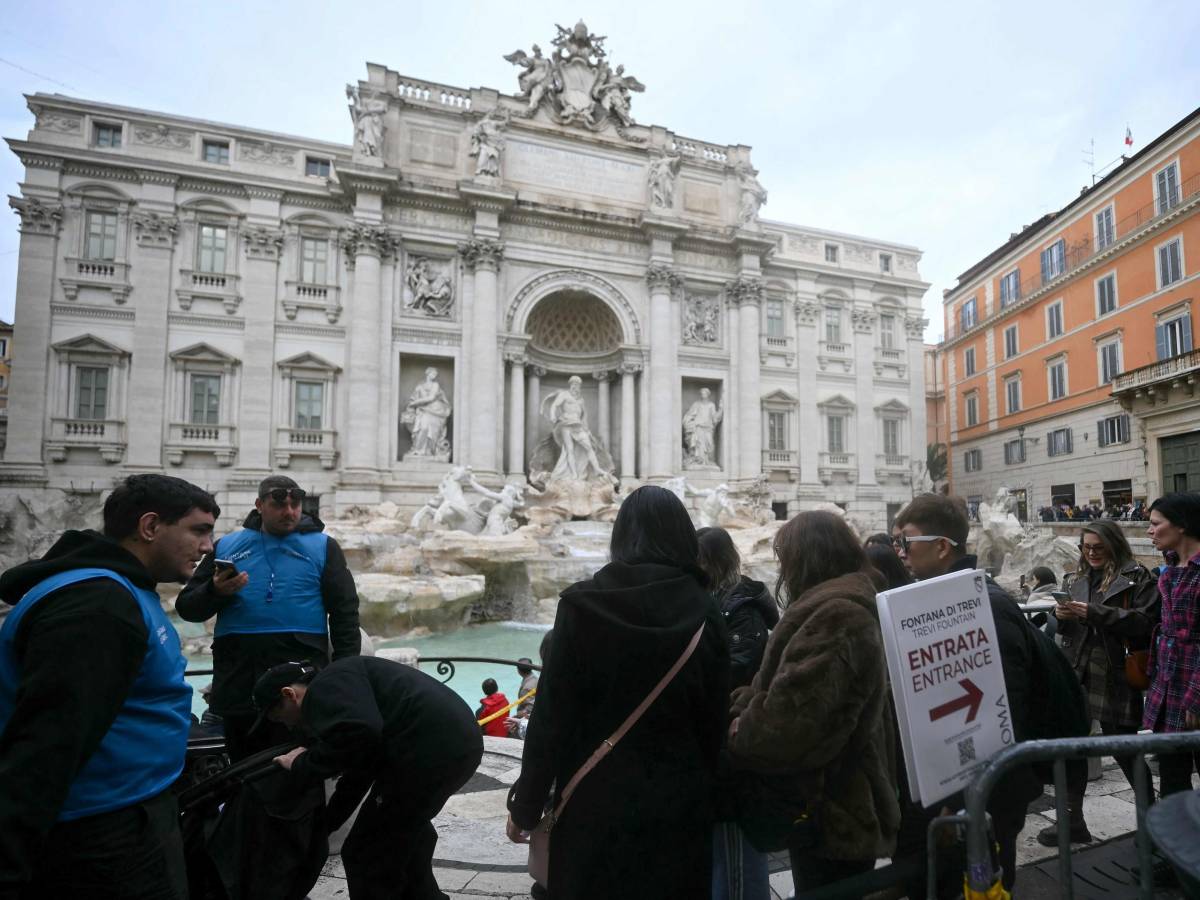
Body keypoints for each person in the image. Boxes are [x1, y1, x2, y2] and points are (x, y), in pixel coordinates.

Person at [505, 485, 730, 900]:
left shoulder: (581, 605)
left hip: (593, 803)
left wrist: (526, 804)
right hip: (678, 805)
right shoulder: (705, 611)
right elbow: (715, 720)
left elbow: (551, 718)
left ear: (621, 536)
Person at [0, 474, 219, 899]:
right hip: (102, 833)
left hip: (129, 809)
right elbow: (46, 744)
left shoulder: (123, 591)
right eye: (199, 530)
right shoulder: (98, 605)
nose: (209, 546)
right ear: (150, 527)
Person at [176, 473, 361, 899]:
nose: (290, 511)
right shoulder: (226, 547)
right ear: (260, 505)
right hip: (239, 688)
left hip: (301, 689)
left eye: (297, 503)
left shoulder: (323, 547)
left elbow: (345, 612)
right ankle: (247, 867)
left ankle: (294, 869)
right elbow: (187, 606)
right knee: (244, 775)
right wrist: (217, 593)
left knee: (301, 779)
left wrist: (348, 676)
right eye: (280, 503)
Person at [728, 511, 898, 894]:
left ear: (809, 558)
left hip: (835, 805)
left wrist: (741, 726)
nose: (783, 567)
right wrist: (747, 701)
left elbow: (790, 724)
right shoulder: (847, 600)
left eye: (786, 557)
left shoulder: (837, 614)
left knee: (828, 887)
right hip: (838, 794)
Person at [893, 494, 1042, 894]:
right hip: (960, 791)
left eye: (906, 543)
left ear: (942, 546)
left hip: (981, 797)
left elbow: (1002, 712)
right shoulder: (942, 602)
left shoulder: (982, 606)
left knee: (980, 883)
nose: (900, 554)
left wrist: (958, 799)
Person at [262, 657, 483, 900]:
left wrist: (302, 763)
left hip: (428, 750)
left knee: (366, 852)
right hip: (453, 744)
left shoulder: (323, 691)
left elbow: (362, 735)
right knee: (406, 834)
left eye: (279, 716)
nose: (287, 725)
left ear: (289, 694)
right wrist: (329, 822)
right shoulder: (341, 683)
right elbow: (362, 765)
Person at [1044, 521, 1159, 846]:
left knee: (1124, 749)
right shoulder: (1074, 579)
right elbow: (1065, 631)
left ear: (1113, 544)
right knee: (1071, 749)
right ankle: (1073, 821)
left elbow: (1145, 622)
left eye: (1098, 547)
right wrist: (1062, 618)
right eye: (1086, 547)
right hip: (1075, 671)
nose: (1091, 553)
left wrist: (1094, 612)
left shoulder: (1137, 577)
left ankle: (1151, 823)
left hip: (1114, 674)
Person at [697, 526, 777, 900]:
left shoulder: (741, 607)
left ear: (710, 562)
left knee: (736, 858)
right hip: (715, 741)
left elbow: (740, 667)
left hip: (733, 746)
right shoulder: (715, 598)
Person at [1144, 492, 1200, 797]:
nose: (1149, 531)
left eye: (1155, 524)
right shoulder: (1169, 566)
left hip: (1194, 685)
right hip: (1168, 685)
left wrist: (1197, 695)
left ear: (1181, 525)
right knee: (1172, 776)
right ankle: (1176, 840)